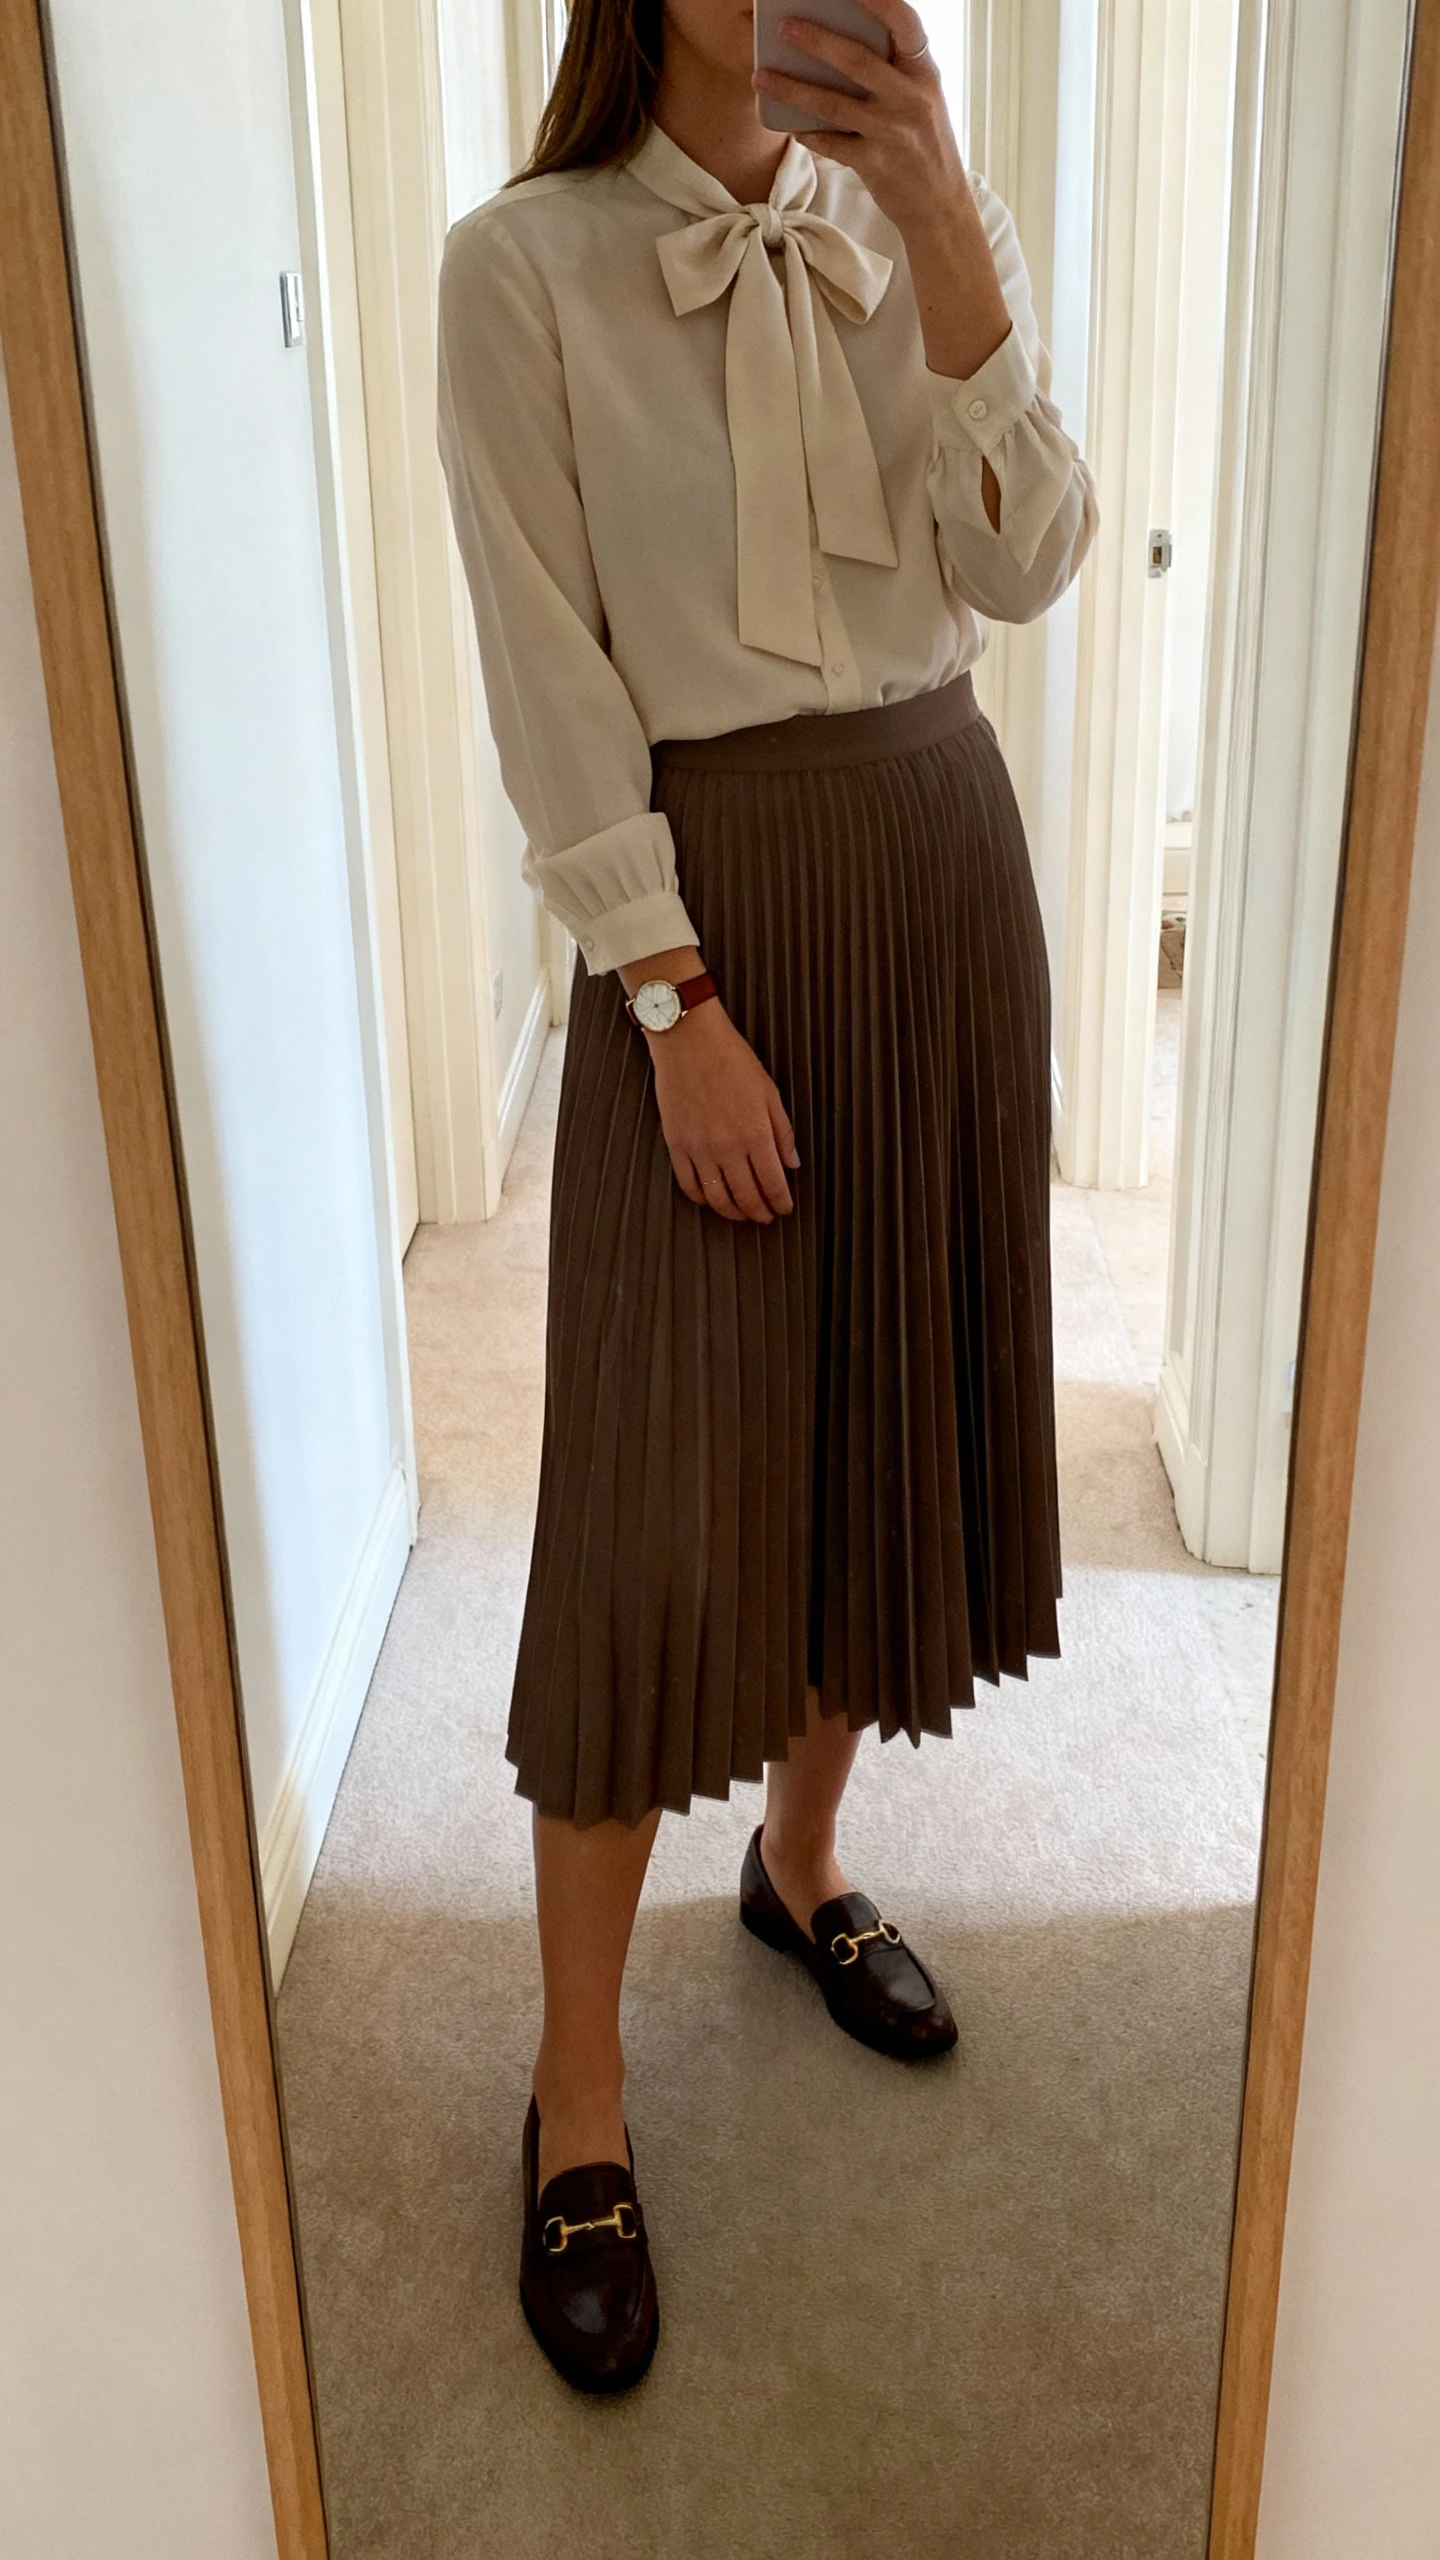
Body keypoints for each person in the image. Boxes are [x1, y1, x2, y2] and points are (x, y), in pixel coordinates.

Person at [437, 0, 1096, 2394]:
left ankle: (799, 1860)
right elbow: (544, 666)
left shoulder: (922, 216)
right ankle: (578, 2091)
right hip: (707, 917)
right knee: (650, 1500)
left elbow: (1025, 558)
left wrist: (938, 217)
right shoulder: (517, 268)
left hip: (936, 867)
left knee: (869, 1427)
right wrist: (664, 995)